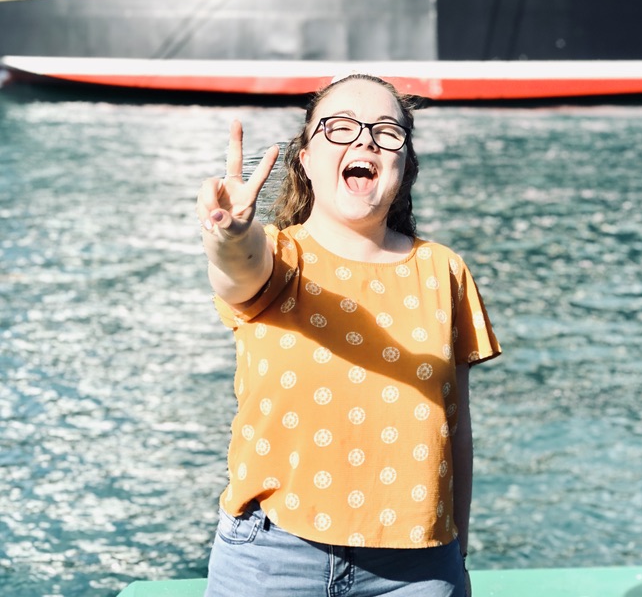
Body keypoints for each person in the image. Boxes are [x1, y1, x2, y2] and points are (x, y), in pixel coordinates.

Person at [196, 72, 501, 597]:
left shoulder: (444, 271)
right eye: (339, 127)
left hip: (418, 567)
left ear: (403, 167)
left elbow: (458, 427)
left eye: (387, 131)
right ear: (306, 159)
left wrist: (459, 551)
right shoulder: (279, 256)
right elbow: (239, 270)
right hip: (272, 555)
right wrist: (231, 234)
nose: (364, 139)